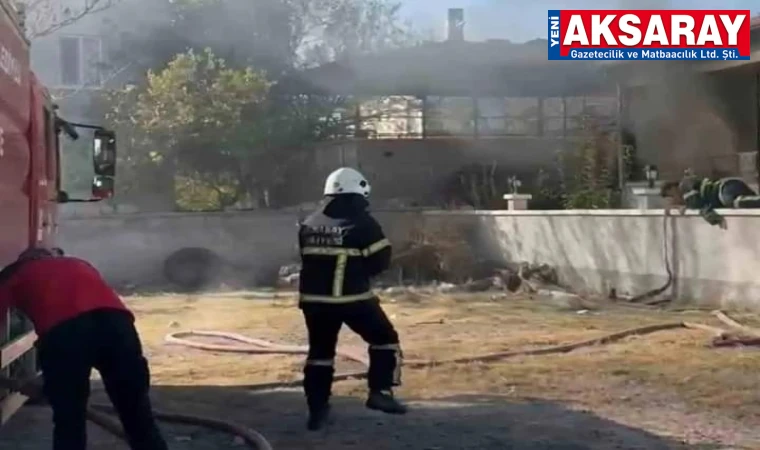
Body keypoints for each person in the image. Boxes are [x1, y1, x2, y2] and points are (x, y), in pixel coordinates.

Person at [0, 247, 168, 450]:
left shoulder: (15, 272)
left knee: (69, 418)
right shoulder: (79, 263)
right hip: (118, 328)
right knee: (136, 412)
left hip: (67, 333)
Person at [298, 167, 407, 431]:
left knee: (320, 353)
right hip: (352, 298)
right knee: (384, 339)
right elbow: (380, 261)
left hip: (314, 301)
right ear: (358, 191)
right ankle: (380, 393)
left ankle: (317, 411)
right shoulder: (362, 222)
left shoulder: (309, 222)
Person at [660, 175, 760, 228]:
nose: (674, 200)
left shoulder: (685, 187)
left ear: (672, 188)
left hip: (725, 188)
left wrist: (716, 219)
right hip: (729, 188)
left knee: (733, 202)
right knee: (746, 203)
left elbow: (698, 204)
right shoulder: (687, 194)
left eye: (671, 196)